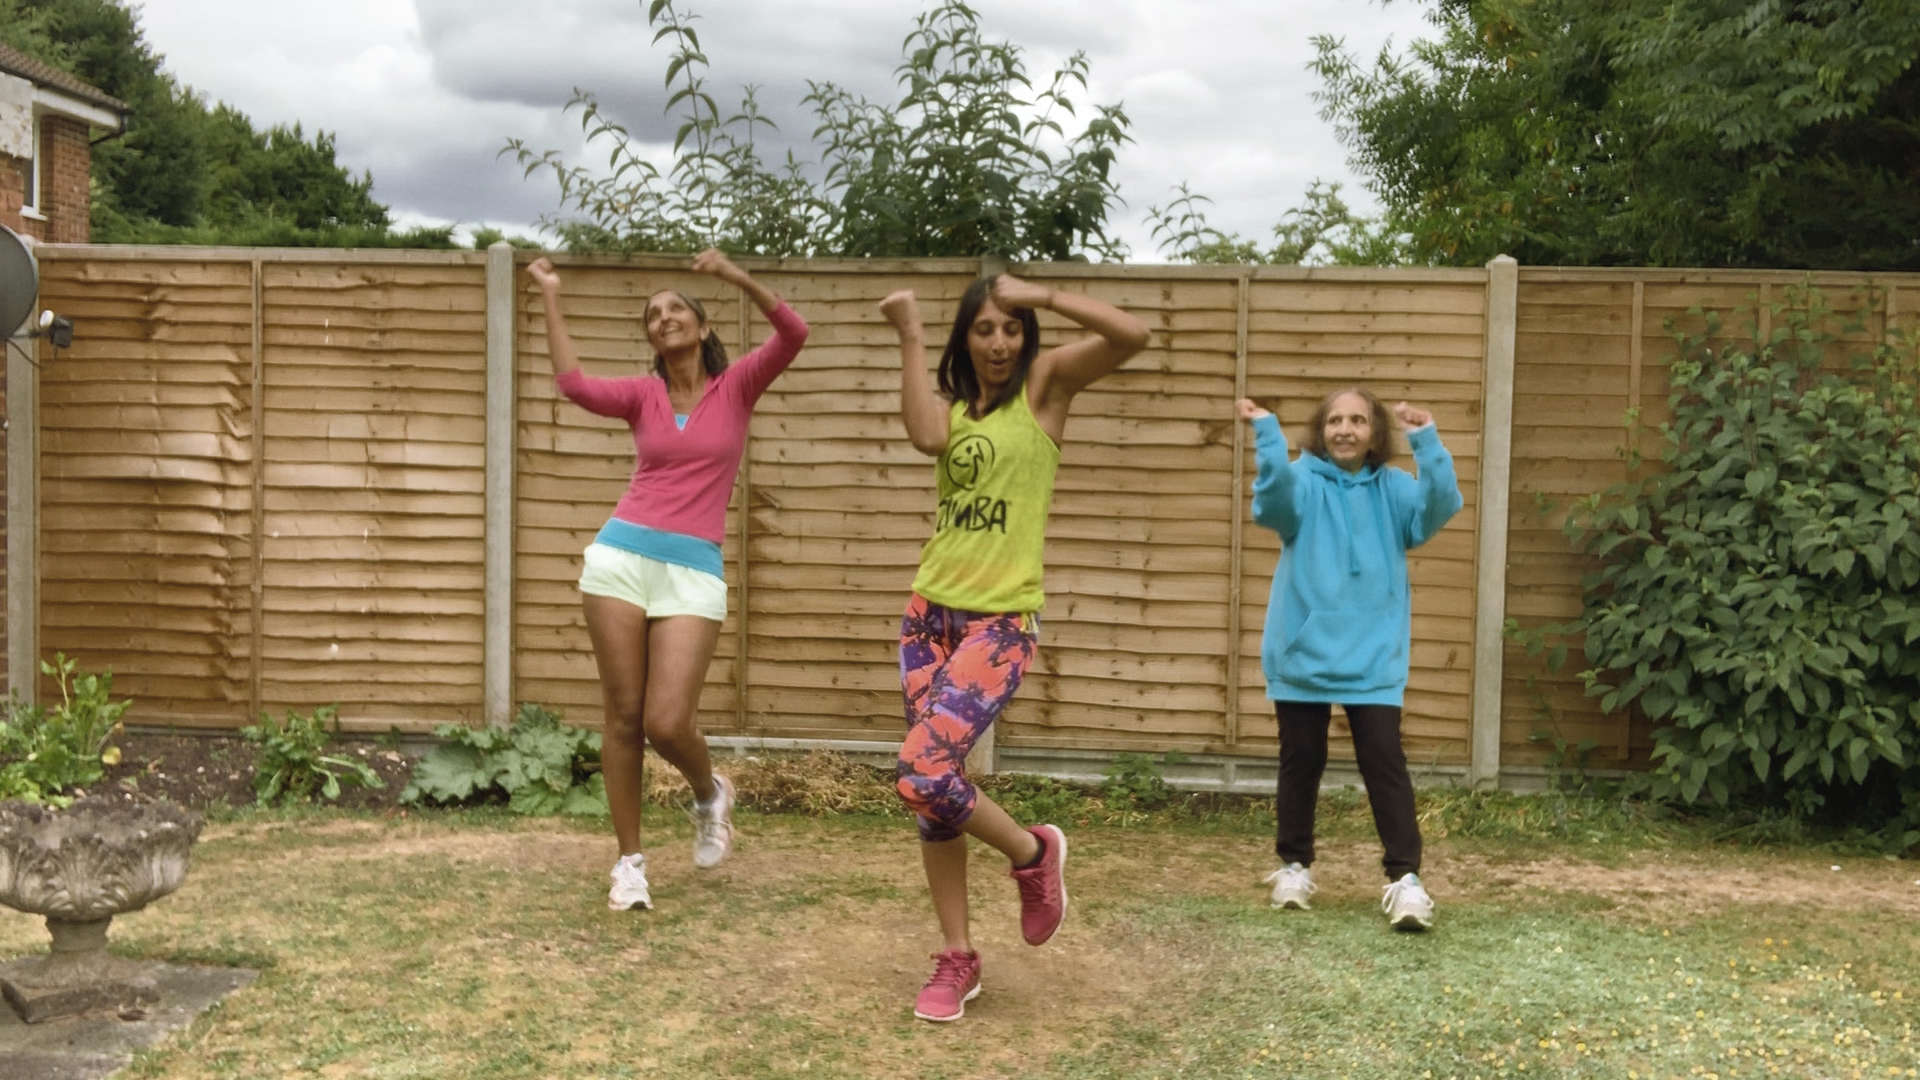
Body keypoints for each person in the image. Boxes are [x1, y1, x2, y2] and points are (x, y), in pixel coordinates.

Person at [878, 274, 1149, 1022]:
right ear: (964, 337)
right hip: (927, 614)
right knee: (934, 799)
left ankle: (1034, 854)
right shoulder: (960, 412)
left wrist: (1047, 294)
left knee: (922, 769)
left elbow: (1133, 337)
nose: (999, 343)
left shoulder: (1048, 390)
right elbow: (925, 435)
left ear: (1026, 335)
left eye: (1011, 328)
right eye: (984, 330)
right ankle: (958, 957)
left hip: (1000, 625)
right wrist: (908, 331)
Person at [527, 250, 808, 912]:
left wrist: (737, 277)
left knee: (667, 720)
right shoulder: (641, 395)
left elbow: (794, 333)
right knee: (623, 717)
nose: (663, 318)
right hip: (620, 559)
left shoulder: (737, 386)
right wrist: (550, 295)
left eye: (676, 307)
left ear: (703, 326)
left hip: (693, 570)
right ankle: (629, 865)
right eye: (653, 314)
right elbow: (571, 383)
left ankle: (709, 793)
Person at [1236, 387, 1462, 931]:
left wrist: (1427, 441)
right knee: (1301, 762)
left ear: (1374, 433)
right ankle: (1293, 867)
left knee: (1385, 765)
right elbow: (1272, 504)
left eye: (1357, 420)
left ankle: (1405, 881)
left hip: (1374, 656)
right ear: (1321, 429)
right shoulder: (1303, 482)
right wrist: (1267, 435)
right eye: (1335, 420)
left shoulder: (1394, 490)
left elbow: (1438, 507)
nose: (1345, 429)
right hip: (1303, 651)